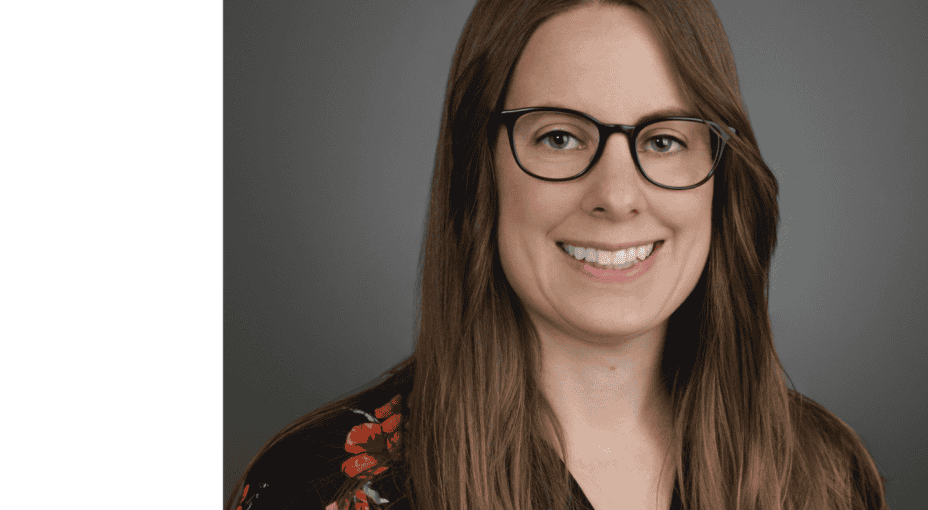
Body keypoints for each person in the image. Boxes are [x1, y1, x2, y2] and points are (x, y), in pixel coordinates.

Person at [228, 0, 888, 509]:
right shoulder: (315, 488)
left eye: (663, 141)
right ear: (478, 173)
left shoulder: (825, 475)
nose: (617, 196)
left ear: (720, 177)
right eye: (560, 138)